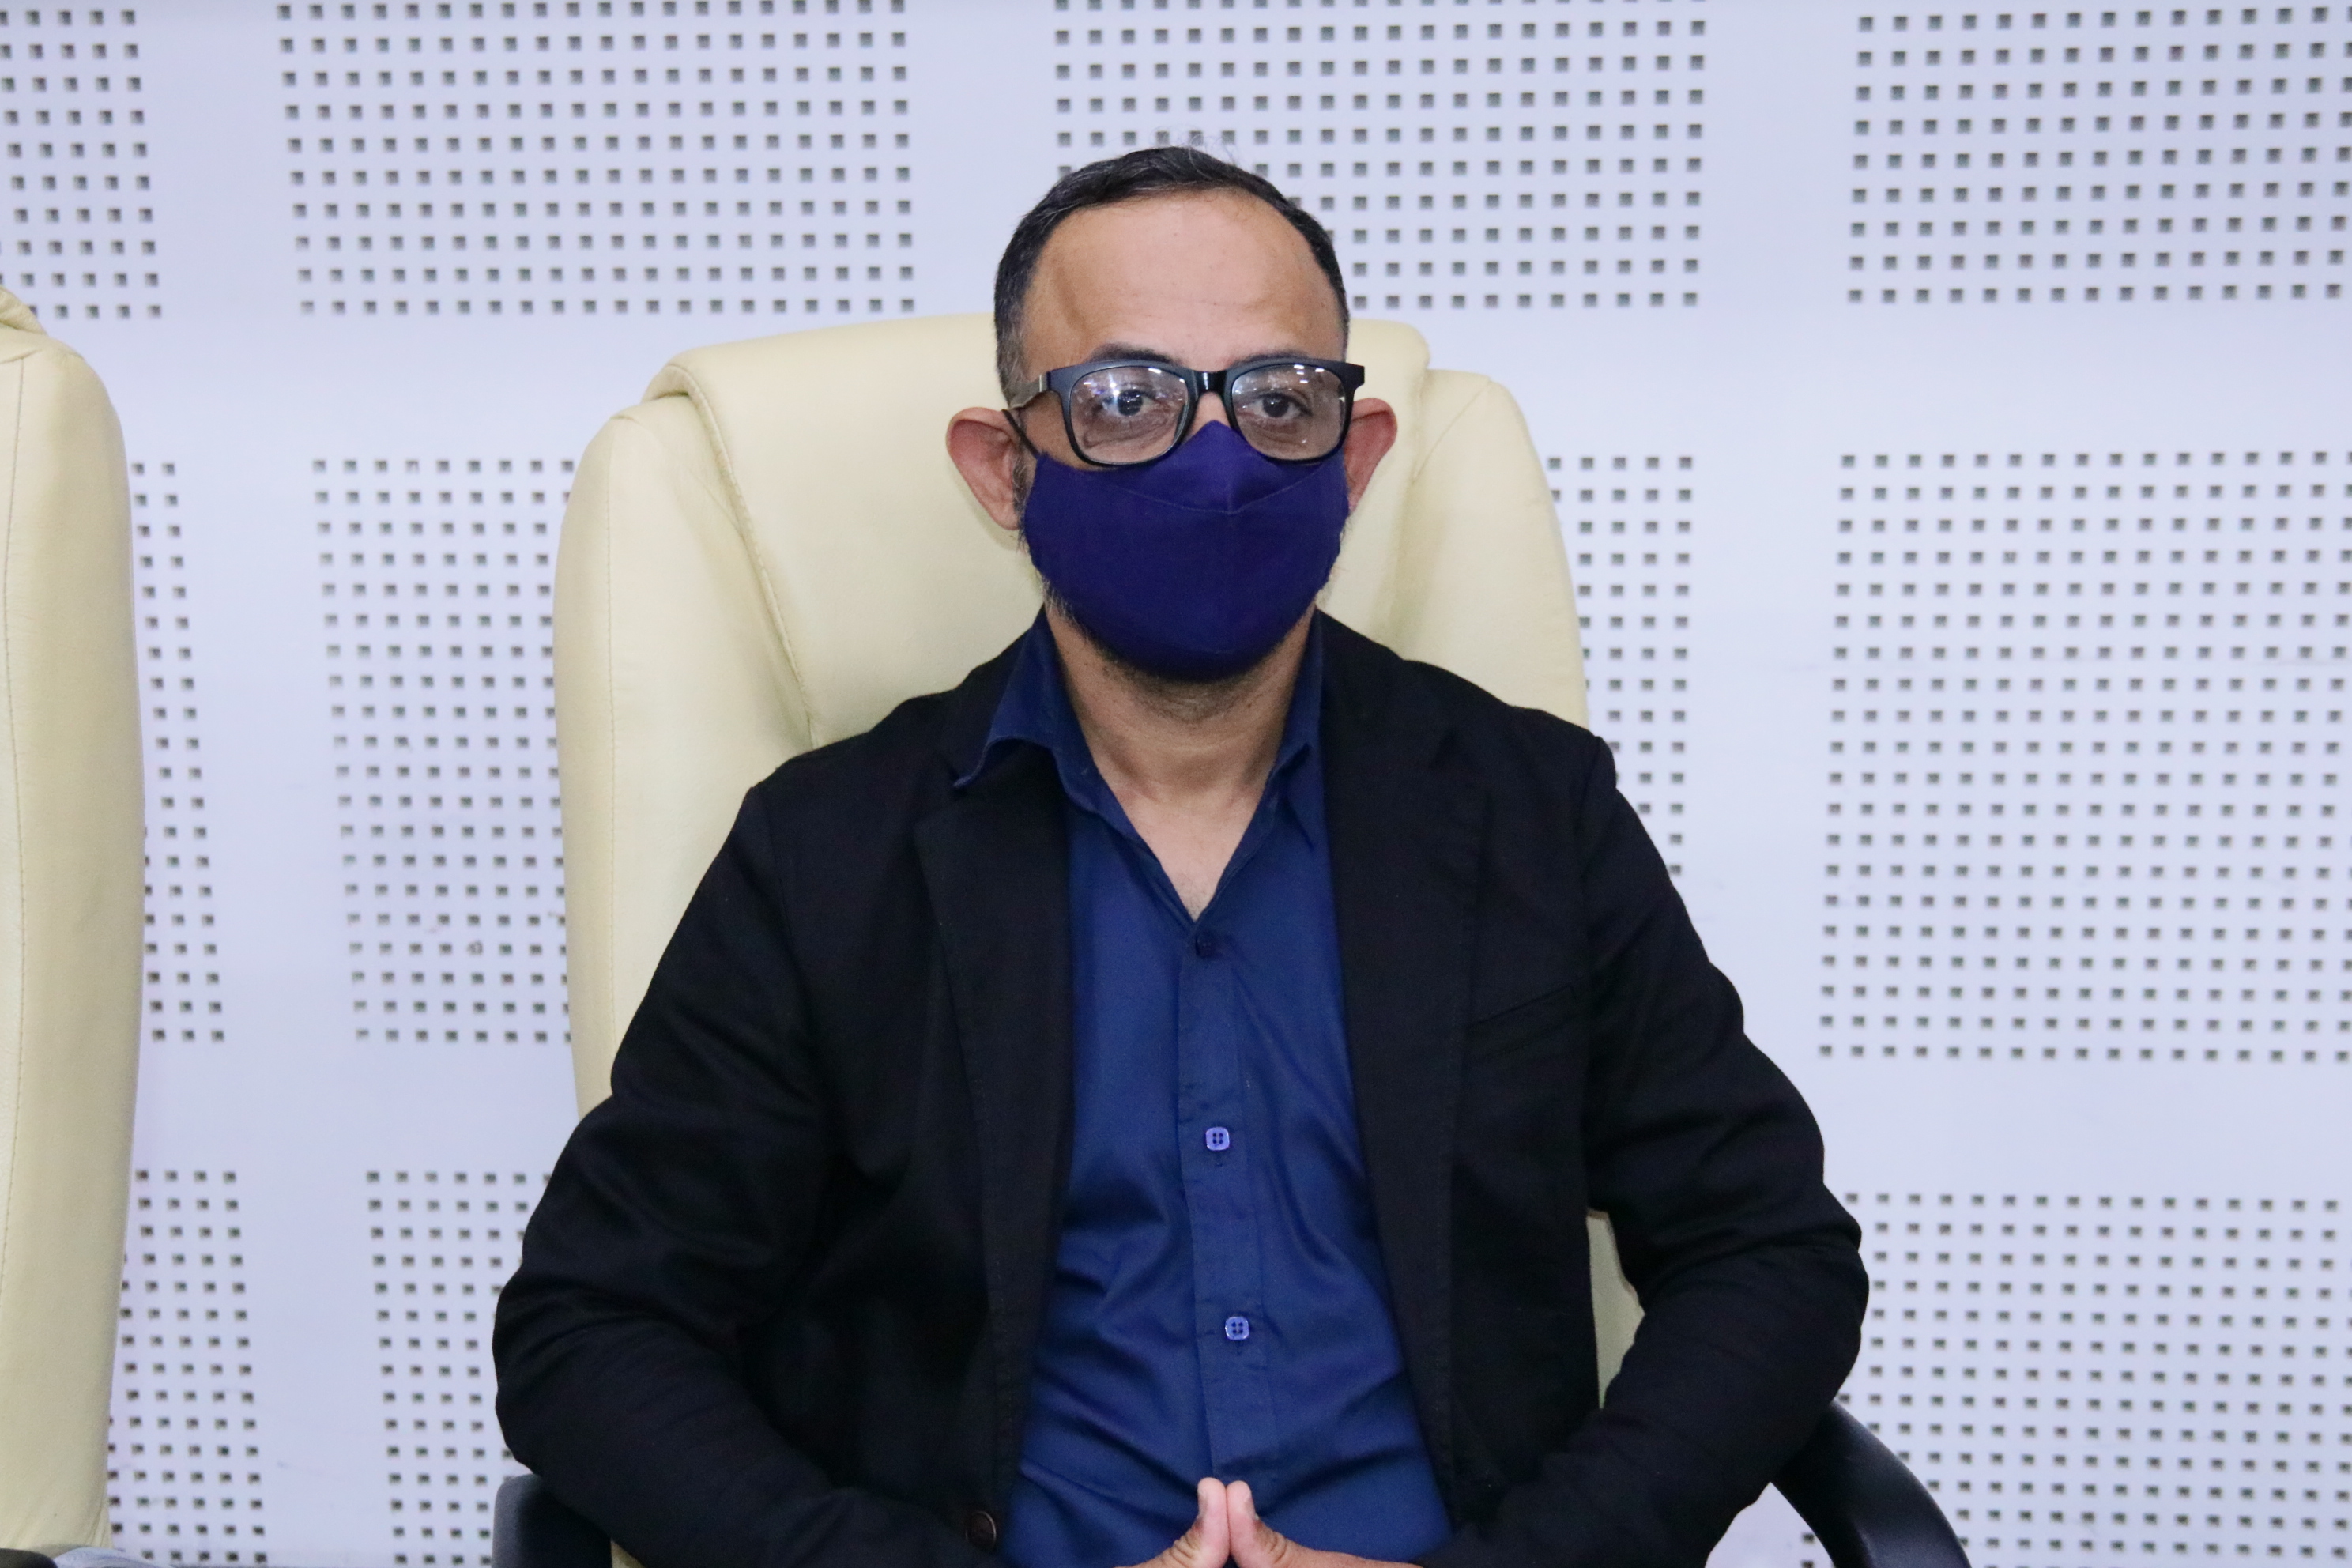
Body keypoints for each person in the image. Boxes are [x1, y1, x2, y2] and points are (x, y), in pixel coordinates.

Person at [493, 148, 1865, 1568]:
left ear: (1356, 455)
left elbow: (1768, 1249)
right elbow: (590, 1330)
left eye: (1279, 398)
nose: (1216, 462)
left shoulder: (1529, 811)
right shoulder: (828, 855)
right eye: (1125, 399)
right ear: (1005, 469)